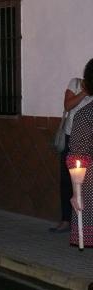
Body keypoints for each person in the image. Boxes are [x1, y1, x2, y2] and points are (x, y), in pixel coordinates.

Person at [50, 75, 92, 233]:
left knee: (87, 183)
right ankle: (66, 220)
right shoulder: (76, 83)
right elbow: (67, 106)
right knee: (67, 180)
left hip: (88, 140)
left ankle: (84, 223)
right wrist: (83, 93)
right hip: (70, 138)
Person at [67, 58, 93, 248]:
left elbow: (78, 154)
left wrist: (77, 193)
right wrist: (77, 193)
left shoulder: (85, 114)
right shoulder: (86, 114)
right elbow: (79, 156)